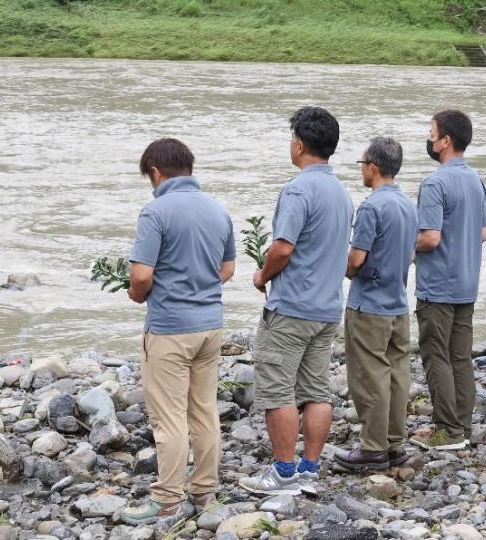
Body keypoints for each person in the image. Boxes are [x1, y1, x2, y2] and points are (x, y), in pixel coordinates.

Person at [120, 138, 235, 525]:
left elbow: (140, 274)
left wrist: (139, 295)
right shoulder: (218, 211)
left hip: (170, 328)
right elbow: (227, 269)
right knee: (204, 411)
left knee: (168, 418)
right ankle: (204, 492)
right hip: (210, 326)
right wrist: (197, 284)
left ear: (155, 172)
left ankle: (167, 499)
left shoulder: (156, 211)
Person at [240, 107, 353, 495]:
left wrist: (261, 275)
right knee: (316, 391)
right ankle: (309, 469)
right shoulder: (342, 192)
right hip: (327, 308)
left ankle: (283, 473)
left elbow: (283, 248)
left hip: (292, 307)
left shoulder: (298, 189)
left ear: (300, 144)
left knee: (277, 390)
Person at [335, 137, 418, 471]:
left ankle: (372, 448)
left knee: (369, 377)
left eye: (362, 164)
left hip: (369, 303)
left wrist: (340, 266)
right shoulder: (408, 205)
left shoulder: (372, 206)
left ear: (373, 166)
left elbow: (356, 259)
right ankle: (394, 444)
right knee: (397, 375)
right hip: (398, 302)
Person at [413, 110, 486, 450]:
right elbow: (483, 232)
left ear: (445, 141)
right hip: (467, 281)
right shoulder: (475, 180)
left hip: (438, 284)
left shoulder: (435, 182)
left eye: (431, 133)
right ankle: (464, 426)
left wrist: (401, 249)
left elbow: (429, 237)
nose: (428, 139)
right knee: (460, 356)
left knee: (435, 355)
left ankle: (447, 430)